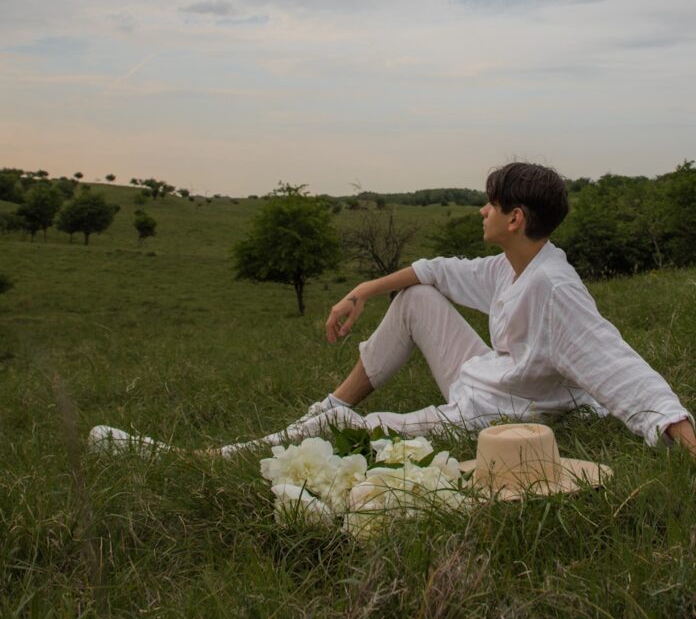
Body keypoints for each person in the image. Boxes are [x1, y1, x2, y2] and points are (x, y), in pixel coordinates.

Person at [89, 162, 696, 459]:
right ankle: (331, 403)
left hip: (491, 415)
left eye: (490, 205)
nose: (481, 212)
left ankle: (204, 458)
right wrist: (361, 290)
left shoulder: (553, 288)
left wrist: (677, 430)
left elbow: (618, 364)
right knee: (417, 297)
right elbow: (437, 270)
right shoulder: (516, 265)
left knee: (348, 434)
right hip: (482, 379)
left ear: (515, 218)